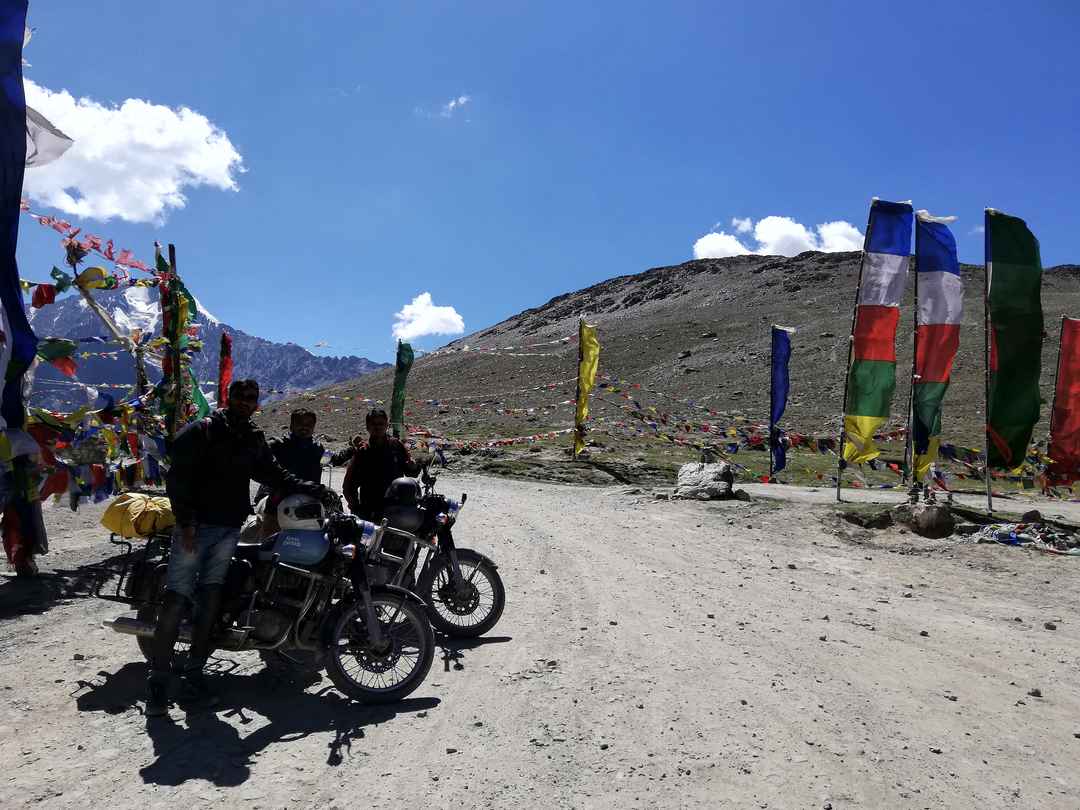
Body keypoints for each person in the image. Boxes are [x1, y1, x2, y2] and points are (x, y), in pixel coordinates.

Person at [146, 378, 331, 716]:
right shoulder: (203, 430)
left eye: (252, 397)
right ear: (229, 397)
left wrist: (314, 489)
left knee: (211, 600)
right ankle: (157, 685)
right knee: (176, 599)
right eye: (241, 396)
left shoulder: (251, 437)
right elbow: (177, 477)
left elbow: (274, 474)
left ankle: (194, 677)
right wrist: (185, 522)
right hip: (195, 529)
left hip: (229, 529)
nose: (246, 401)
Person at [342, 408, 420, 521]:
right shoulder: (363, 451)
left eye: (381, 424)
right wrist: (355, 507)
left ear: (387, 425)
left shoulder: (396, 446)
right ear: (367, 427)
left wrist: (413, 467)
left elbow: (411, 472)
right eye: (374, 424)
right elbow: (349, 484)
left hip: (396, 508)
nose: (377, 427)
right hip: (370, 510)